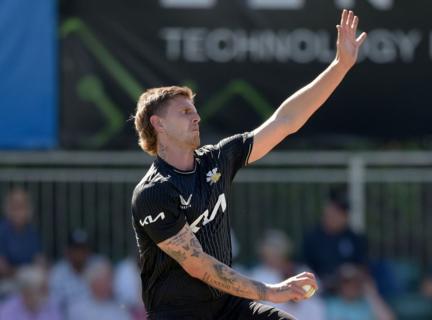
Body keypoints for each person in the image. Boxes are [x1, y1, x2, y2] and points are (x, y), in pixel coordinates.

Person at [131, 9, 367, 320]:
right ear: (158, 124)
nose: (197, 116)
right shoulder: (153, 192)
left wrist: (339, 66)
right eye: (185, 112)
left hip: (229, 306)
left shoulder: (216, 159)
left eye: (195, 110)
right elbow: (198, 265)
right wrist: (272, 291)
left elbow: (285, 121)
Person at [250, 229, 326, 320]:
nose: (274, 254)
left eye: (277, 248)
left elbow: (318, 290)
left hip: (303, 314)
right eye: (270, 249)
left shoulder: (300, 269)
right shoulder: (257, 275)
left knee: (315, 304)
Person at [302, 195, 367, 292]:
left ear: (344, 216)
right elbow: (303, 266)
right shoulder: (312, 238)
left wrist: (349, 271)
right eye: (328, 215)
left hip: (348, 286)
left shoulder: (354, 238)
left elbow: (363, 267)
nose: (330, 218)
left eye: (335, 215)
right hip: (318, 286)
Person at [67, 257, 131, 320]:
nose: (110, 284)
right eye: (106, 280)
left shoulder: (118, 306)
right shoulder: (77, 308)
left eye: (110, 280)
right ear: (94, 282)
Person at [325, 264, 395, 320]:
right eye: (347, 282)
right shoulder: (330, 304)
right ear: (340, 283)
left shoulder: (367, 303)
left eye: (355, 281)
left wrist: (372, 294)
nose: (351, 285)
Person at [49, 229, 94, 314]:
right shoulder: (58, 273)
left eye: (83, 249)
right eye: (76, 249)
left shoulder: (97, 269)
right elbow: (54, 305)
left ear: (89, 252)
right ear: (67, 251)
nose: (80, 254)